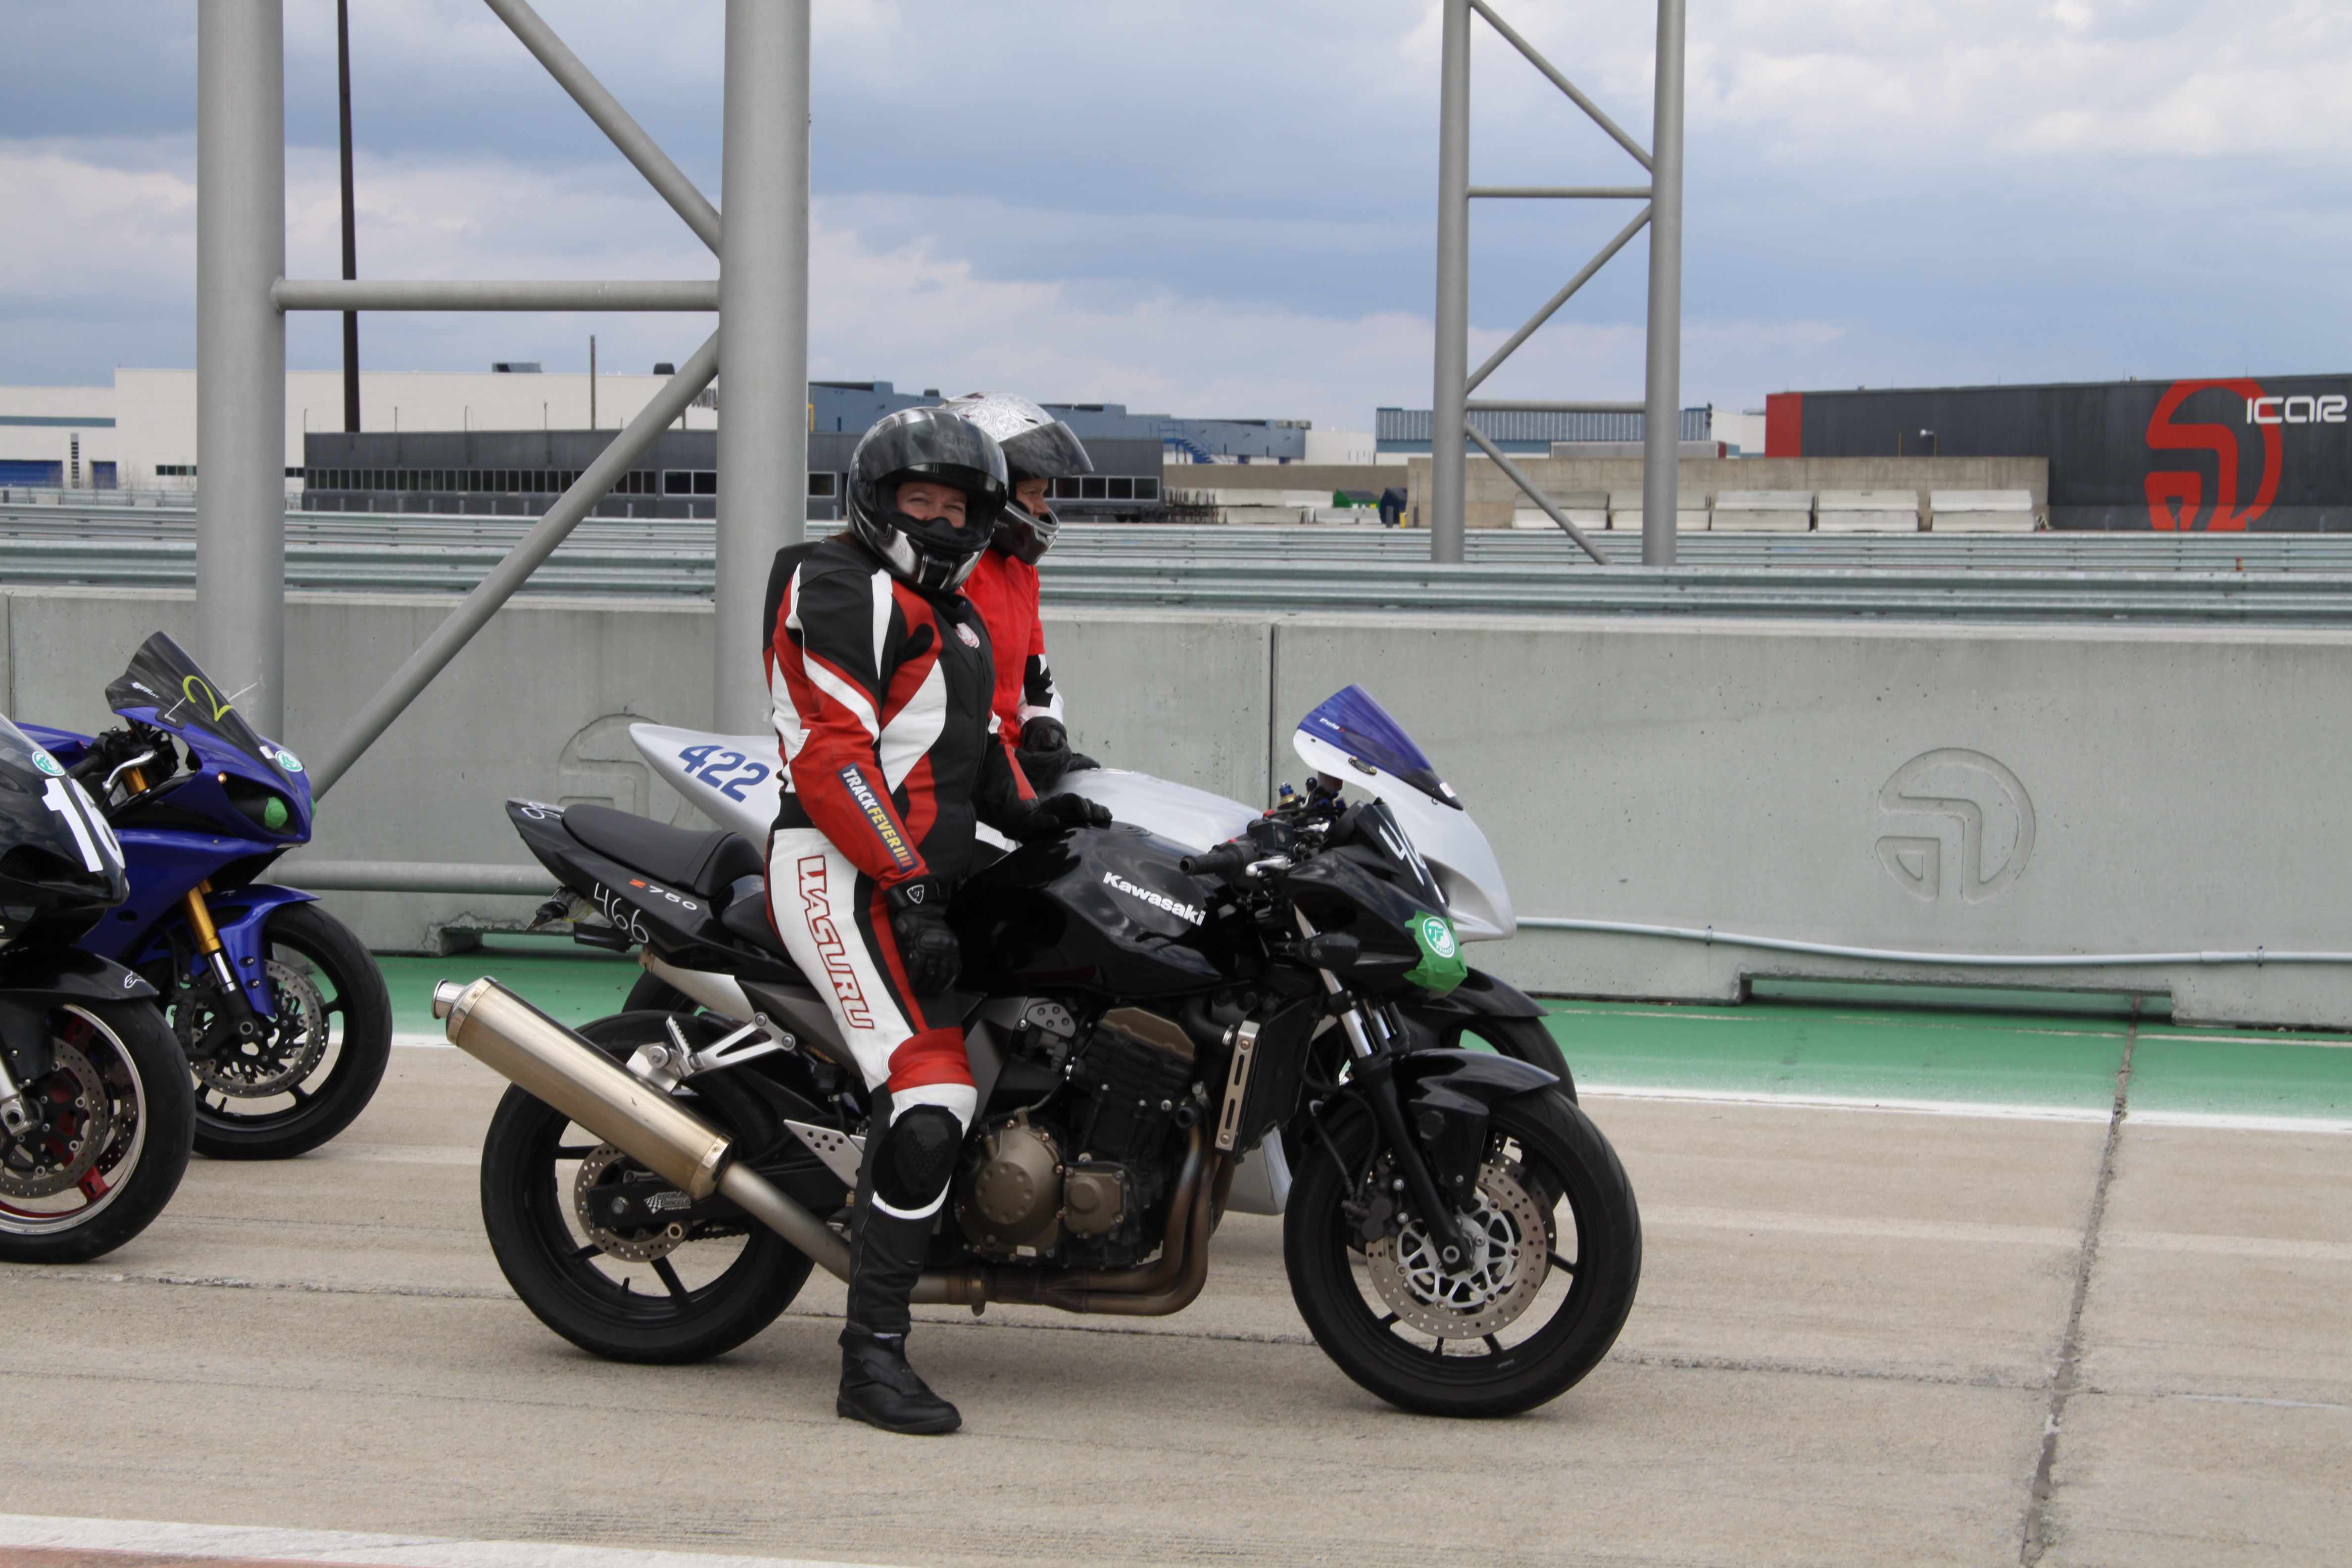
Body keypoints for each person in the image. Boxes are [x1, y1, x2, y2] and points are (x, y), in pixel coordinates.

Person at [762, 406, 1111, 1435]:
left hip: (915, 875)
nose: (942, 521)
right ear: (877, 502)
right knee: (931, 1096)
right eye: (921, 501)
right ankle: (870, 1358)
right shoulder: (836, 584)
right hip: (838, 871)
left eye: (959, 508)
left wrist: (1039, 814)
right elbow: (834, 757)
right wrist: (909, 886)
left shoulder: (951, 612)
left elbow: (971, 750)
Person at [937, 391, 1093, 792]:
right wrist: (999, 761)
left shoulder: (1023, 571)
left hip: (1006, 764)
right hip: (959, 775)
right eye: (1033, 494)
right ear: (992, 493)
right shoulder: (949, 572)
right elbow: (937, 696)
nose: (1043, 508)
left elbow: (1036, 681)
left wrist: (1045, 730)